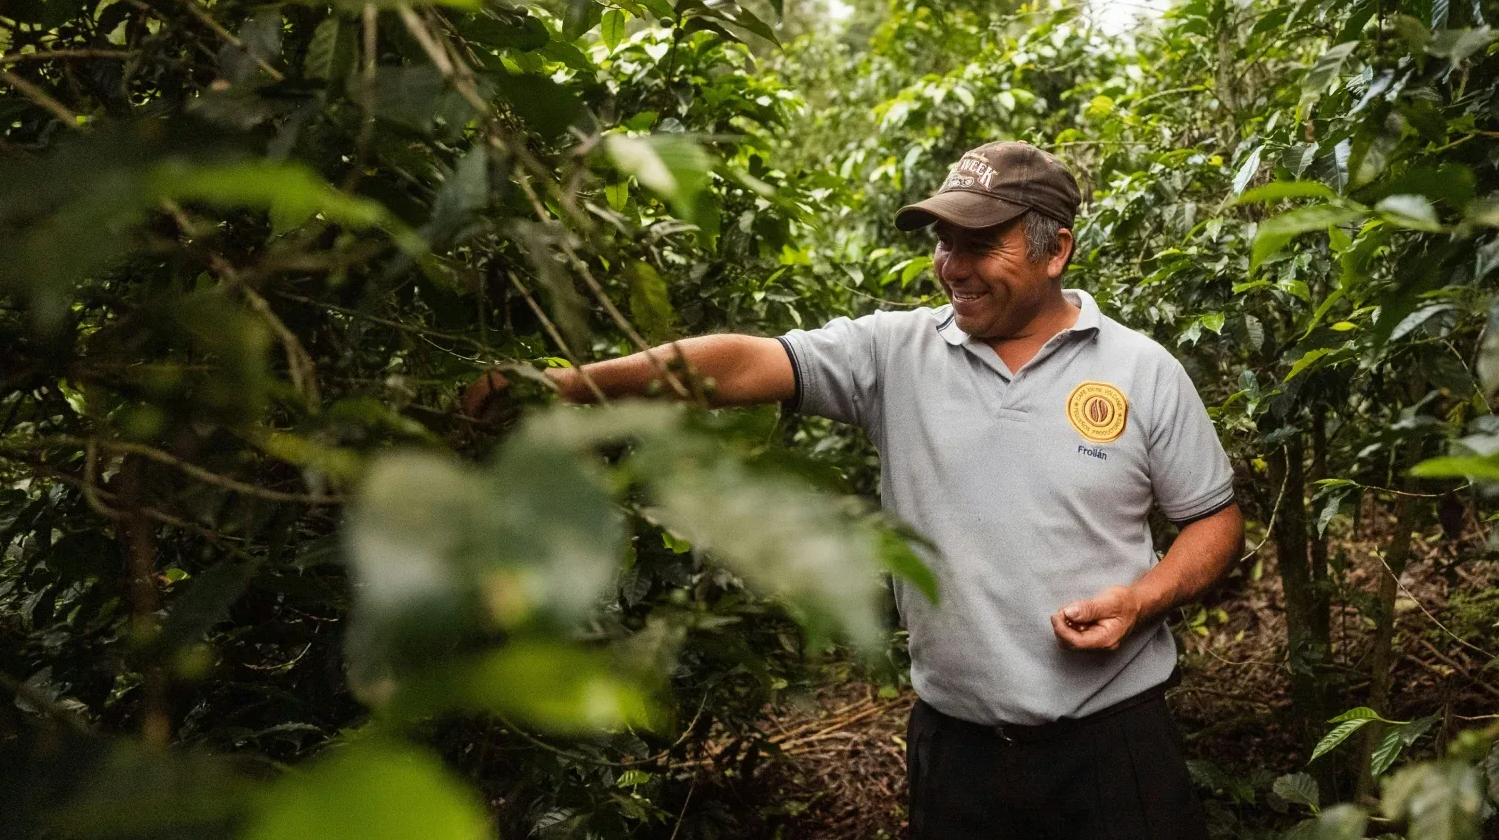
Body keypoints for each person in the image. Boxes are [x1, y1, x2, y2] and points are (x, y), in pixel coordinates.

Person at [464, 141, 1243, 839]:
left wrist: (1141, 600)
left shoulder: (1141, 371)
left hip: (1114, 745)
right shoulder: (896, 353)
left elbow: (1213, 519)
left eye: (981, 243)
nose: (953, 265)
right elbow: (739, 365)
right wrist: (570, 385)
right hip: (959, 754)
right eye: (944, 241)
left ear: (1055, 249)